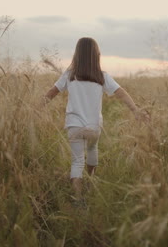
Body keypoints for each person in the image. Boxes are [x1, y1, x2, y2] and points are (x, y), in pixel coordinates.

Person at [43, 37, 148, 201]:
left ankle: (78, 200)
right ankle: (90, 183)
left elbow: (51, 92)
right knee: (92, 150)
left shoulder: (70, 75)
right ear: (96, 55)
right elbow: (121, 92)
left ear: (77, 55)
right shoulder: (102, 76)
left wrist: (34, 109)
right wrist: (135, 109)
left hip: (74, 125)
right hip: (94, 127)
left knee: (77, 162)